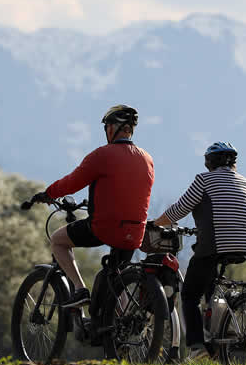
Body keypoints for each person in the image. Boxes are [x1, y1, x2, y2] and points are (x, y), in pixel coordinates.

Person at [30, 104, 155, 308]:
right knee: (116, 277)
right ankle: (120, 327)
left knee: (58, 241)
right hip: (136, 232)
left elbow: (73, 181)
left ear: (112, 128)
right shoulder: (147, 159)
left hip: (105, 228)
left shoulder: (102, 155)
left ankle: (80, 289)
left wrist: (48, 193)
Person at [152, 141, 246, 360]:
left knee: (189, 294)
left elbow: (180, 209)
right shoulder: (244, 182)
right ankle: (223, 328)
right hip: (244, 243)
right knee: (211, 284)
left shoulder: (204, 180)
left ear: (209, 162)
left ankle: (197, 347)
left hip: (217, 242)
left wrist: (156, 223)